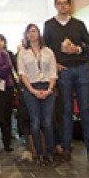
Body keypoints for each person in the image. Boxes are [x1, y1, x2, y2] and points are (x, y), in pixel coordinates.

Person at [43, 0, 89, 165]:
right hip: (63, 71)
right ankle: (66, 148)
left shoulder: (79, 24)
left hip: (81, 68)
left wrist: (78, 49)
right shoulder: (49, 25)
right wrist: (54, 63)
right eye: (59, 4)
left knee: (85, 108)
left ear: (69, 6)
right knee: (66, 110)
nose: (63, 6)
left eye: (65, 3)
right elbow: (45, 49)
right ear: (55, 6)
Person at [17, 24, 57, 166]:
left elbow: (53, 72)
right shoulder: (23, 52)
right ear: (26, 36)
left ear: (39, 33)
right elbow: (22, 73)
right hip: (31, 88)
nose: (32, 34)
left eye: (34, 31)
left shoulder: (48, 52)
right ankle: (39, 153)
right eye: (29, 32)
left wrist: (49, 89)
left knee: (47, 122)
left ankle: (50, 153)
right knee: (35, 123)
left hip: (47, 87)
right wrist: (32, 90)